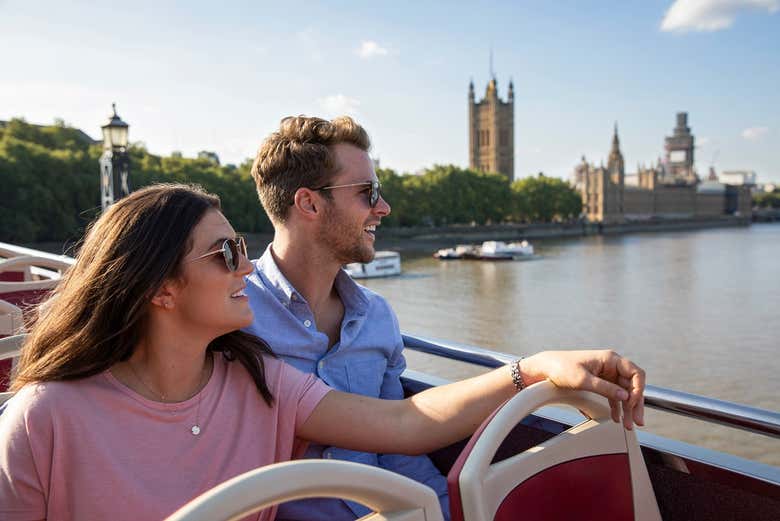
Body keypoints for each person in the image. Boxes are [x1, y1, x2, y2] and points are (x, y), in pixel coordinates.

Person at [0, 184, 645, 521]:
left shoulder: (258, 381)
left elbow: (403, 424)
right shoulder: (42, 420)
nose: (245, 265)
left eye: (241, 247)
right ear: (160, 289)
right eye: (224, 254)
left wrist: (530, 367)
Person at [244, 115, 642, 521]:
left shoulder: (376, 316)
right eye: (368, 192)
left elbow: (398, 447)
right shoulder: (230, 315)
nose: (384, 207)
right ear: (309, 203)